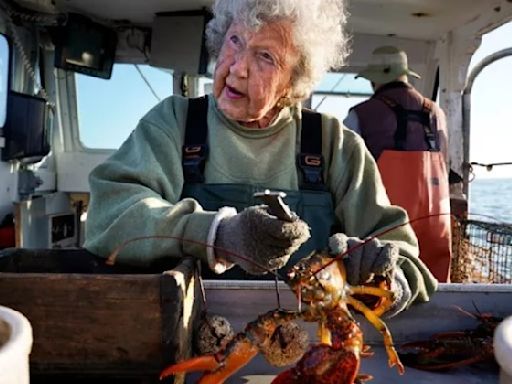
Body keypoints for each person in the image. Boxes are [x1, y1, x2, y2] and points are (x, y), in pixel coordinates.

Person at [85, 0, 437, 318]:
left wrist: (385, 278)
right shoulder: (175, 122)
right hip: (189, 338)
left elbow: (407, 262)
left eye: (265, 57)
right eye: (235, 41)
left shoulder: (334, 144)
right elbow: (109, 216)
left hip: (309, 350)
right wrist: (217, 235)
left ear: (293, 82)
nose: (238, 68)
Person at [344, 45, 452, 282]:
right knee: (435, 285)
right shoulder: (437, 113)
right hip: (435, 220)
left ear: (375, 80)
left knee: (385, 284)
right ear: (404, 75)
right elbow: (444, 161)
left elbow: (345, 171)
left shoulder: (359, 114)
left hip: (386, 224)